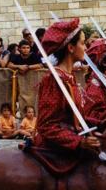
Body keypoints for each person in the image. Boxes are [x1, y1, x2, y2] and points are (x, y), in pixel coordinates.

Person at [32, 18, 100, 155]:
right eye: (82, 43)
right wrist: (78, 141)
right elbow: (46, 126)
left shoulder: (69, 76)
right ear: (70, 47)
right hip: (56, 150)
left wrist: (101, 122)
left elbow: (74, 118)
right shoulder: (53, 80)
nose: (86, 48)